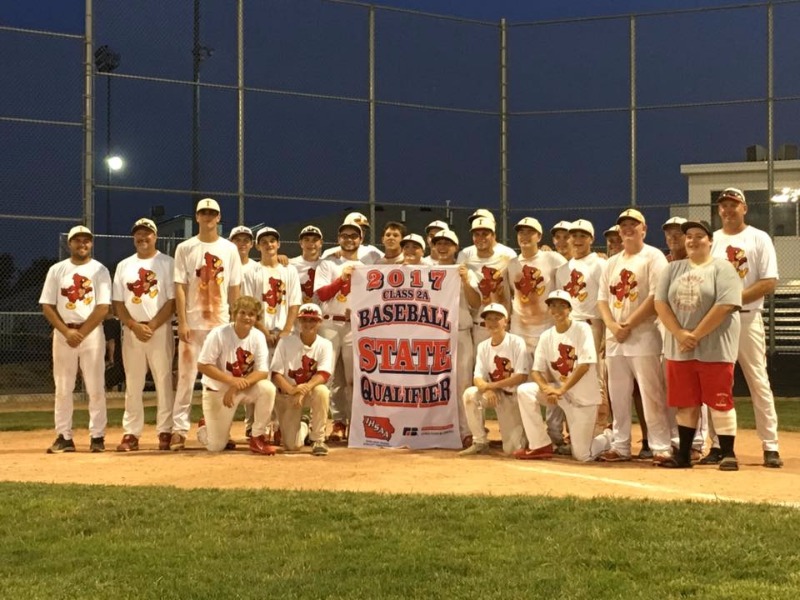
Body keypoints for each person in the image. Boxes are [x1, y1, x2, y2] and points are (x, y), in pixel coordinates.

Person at [655, 220, 742, 470]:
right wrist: (680, 333)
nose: (693, 240)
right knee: (686, 403)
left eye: (699, 236)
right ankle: (683, 455)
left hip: (714, 348)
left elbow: (725, 305)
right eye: (689, 236)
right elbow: (660, 303)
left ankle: (728, 453)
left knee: (720, 400)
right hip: (679, 348)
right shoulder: (673, 269)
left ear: (710, 240)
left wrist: (695, 334)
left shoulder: (722, 268)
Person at [709, 187, 783, 468]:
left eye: (733, 205)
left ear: (744, 208)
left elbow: (769, 281)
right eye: (724, 206)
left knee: (758, 382)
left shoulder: (758, 238)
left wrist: (731, 299)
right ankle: (718, 444)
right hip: (718, 321)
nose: (728, 210)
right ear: (719, 210)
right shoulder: (712, 240)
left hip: (747, 316)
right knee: (718, 382)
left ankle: (771, 445)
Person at [597, 208, 674, 463]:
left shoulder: (653, 257)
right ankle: (621, 446)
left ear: (644, 229)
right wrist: (613, 326)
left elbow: (656, 297)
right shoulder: (612, 262)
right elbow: (601, 301)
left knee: (651, 394)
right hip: (615, 338)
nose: (628, 229)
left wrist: (627, 324)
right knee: (618, 395)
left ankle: (661, 445)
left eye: (634, 224)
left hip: (643, 335)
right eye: (624, 225)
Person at [170, 198, 242, 451]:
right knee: (187, 378)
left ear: (219, 218)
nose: (208, 217)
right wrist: (183, 321)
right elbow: (179, 286)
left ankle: (220, 429)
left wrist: (234, 320)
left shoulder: (229, 249)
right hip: (194, 321)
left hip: (220, 323)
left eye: (213, 213)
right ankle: (178, 429)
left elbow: (234, 287)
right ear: (197, 216)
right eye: (204, 213)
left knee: (221, 380)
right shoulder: (186, 248)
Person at [40, 225, 112, 453]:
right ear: (69, 243)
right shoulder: (57, 270)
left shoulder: (99, 270)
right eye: (77, 240)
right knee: (63, 386)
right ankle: (64, 436)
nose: (82, 244)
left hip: (91, 334)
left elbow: (103, 307)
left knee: (95, 387)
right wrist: (66, 331)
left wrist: (81, 332)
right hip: (64, 334)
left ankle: (97, 437)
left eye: (86, 241)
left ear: (91, 244)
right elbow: (47, 306)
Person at [516, 290, 610, 461]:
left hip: (583, 400)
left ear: (569, 309)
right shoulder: (547, 335)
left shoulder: (582, 329)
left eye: (561, 306)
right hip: (560, 394)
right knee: (525, 390)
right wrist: (546, 389)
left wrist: (561, 390)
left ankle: (608, 438)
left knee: (582, 455)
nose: (557, 310)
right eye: (553, 306)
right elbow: (536, 371)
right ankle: (540, 445)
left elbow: (585, 365)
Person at [505, 216, 568, 451]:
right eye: (521, 232)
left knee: (551, 384)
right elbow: (511, 297)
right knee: (523, 387)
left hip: (547, 329)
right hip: (520, 331)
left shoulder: (551, 258)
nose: (524, 236)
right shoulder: (512, 264)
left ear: (539, 236)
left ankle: (554, 434)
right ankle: (531, 436)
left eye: (529, 232)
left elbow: (570, 276)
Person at [112, 218, 176, 451]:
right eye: (138, 234)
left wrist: (153, 324)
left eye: (147, 233)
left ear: (155, 236)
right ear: (133, 238)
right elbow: (118, 302)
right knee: (134, 383)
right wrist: (133, 324)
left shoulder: (167, 263)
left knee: (163, 380)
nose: (143, 238)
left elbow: (172, 300)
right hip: (132, 331)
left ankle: (165, 431)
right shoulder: (124, 265)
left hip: (159, 329)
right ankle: (131, 433)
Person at [197, 296, 277, 454]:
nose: (247, 317)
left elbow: (262, 371)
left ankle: (257, 437)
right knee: (216, 446)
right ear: (234, 314)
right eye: (243, 313)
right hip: (217, 390)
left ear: (257, 318)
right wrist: (231, 381)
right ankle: (206, 427)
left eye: (252, 314)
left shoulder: (258, 336)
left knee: (267, 388)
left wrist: (235, 386)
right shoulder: (218, 334)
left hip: (240, 389)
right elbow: (203, 365)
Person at [314, 221, 365, 441]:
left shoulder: (366, 265)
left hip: (354, 325)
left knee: (354, 378)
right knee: (329, 377)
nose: (349, 239)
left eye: (354, 236)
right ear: (339, 238)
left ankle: (355, 423)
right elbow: (322, 294)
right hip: (329, 324)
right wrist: (341, 279)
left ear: (360, 240)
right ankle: (335, 423)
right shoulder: (328, 263)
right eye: (345, 235)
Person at [661, 215, 707, 460]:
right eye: (669, 232)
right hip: (667, 332)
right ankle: (677, 440)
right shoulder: (666, 263)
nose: (673, 237)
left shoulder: (701, 264)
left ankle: (698, 442)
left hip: (695, 333)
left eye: (678, 232)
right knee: (675, 390)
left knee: (698, 391)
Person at [432, 228, 481, 447]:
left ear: (456, 248)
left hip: (460, 333)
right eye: (438, 243)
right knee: (433, 384)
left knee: (463, 384)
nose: (442, 247)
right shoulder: (425, 270)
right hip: (433, 336)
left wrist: (465, 281)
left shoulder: (466, 271)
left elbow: (476, 303)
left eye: (447, 244)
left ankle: (466, 431)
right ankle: (432, 430)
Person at [460, 304, 530, 456]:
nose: (492, 322)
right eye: (489, 319)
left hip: (513, 398)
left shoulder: (516, 342)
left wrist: (492, 385)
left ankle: (526, 434)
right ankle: (480, 441)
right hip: (495, 395)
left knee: (513, 450)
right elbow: (477, 378)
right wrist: (489, 389)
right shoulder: (483, 346)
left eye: (497, 318)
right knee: (470, 394)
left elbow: (521, 376)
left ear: (506, 321)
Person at [271, 303, 334, 456]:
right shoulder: (285, 342)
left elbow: (324, 374)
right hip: (288, 394)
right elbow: (275, 374)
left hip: (308, 392)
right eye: (304, 320)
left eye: (312, 320)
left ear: (319, 322)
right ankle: (304, 425)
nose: (308, 324)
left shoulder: (325, 344)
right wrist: (293, 390)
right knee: (292, 446)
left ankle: (318, 438)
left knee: (322, 391)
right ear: (299, 321)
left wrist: (303, 389)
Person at [462, 216, 512, 347]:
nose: (480, 238)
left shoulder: (507, 259)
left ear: (494, 235)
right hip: (480, 326)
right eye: (476, 234)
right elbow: (473, 303)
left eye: (485, 234)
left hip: (503, 325)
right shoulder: (468, 264)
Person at [289, 225, 323, 306]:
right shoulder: (290, 265)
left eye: (315, 240)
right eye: (306, 240)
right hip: (297, 315)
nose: (311, 243)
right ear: (301, 243)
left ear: (321, 243)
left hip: (321, 315)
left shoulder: (326, 264)